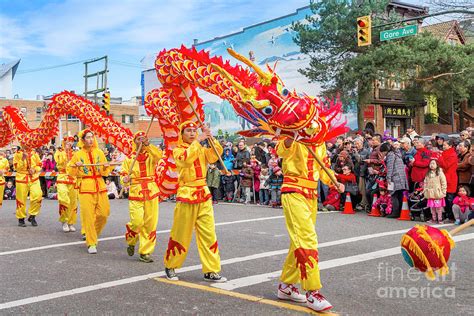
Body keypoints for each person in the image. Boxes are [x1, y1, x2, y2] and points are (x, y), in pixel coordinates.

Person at [275, 137, 344, 312]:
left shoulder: (319, 142)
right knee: (307, 239)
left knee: (298, 240)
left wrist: (334, 181)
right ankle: (313, 291)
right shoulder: (291, 135)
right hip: (294, 191)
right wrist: (292, 136)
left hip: (311, 195)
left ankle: (286, 285)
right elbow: (281, 150)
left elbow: (323, 168)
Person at [163, 121, 226, 283]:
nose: (192, 133)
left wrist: (211, 137)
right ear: (182, 134)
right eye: (188, 131)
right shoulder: (178, 150)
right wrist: (199, 141)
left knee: (208, 233)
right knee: (181, 232)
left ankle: (211, 270)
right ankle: (171, 265)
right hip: (187, 193)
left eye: (194, 131)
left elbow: (215, 154)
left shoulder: (201, 149)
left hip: (203, 193)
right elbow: (185, 160)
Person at [67, 129, 115, 254]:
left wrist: (107, 166)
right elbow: (70, 171)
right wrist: (76, 166)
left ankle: (92, 233)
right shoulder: (77, 155)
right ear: (83, 140)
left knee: (104, 214)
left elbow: (105, 172)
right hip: (85, 187)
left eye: (92, 137)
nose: (90, 139)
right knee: (88, 216)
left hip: (100, 185)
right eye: (87, 137)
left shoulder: (99, 152)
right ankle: (91, 242)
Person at [121, 131, 162, 263]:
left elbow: (159, 157)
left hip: (151, 191)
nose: (141, 141)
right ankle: (131, 240)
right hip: (136, 192)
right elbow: (123, 177)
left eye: (143, 139)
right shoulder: (129, 159)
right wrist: (125, 179)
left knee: (150, 224)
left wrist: (148, 145)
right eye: (138, 139)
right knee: (137, 222)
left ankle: (145, 252)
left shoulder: (151, 155)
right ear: (134, 142)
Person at [14, 146, 43, 227]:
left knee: (38, 195)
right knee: (21, 199)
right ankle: (21, 218)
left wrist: (34, 170)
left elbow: (39, 165)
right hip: (21, 178)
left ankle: (32, 215)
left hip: (33, 178)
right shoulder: (17, 154)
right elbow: (16, 167)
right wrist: (23, 158)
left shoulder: (35, 154)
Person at [55, 137, 79, 233]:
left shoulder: (76, 154)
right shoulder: (59, 152)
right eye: (66, 142)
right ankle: (64, 221)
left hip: (73, 179)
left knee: (73, 202)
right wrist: (65, 154)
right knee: (64, 199)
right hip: (62, 177)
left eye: (70, 142)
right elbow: (58, 162)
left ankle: (71, 222)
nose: (69, 143)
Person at [380, 142, 408, 218]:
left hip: (395, 177)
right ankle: (400, 212)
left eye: (383, 152)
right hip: (401, 177)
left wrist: (388, 178)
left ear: (386, 150)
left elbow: (390, 167)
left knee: (393, 195)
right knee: (399, 195)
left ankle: (395, 212)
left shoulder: (390, 155)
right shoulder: (397, 153)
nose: (382, 154)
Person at [438, 139, 459, 221]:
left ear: (450, 146)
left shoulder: (452, 155)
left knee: (449, 198)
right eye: (443, 145)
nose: (443, 146)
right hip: (444, 176)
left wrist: (440, 157)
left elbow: (446, 165)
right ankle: (447, 215)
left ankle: (450, 216)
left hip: (450, 177)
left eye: (445, 145)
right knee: (445, 197)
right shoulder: (444, 153)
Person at [423, 159, 447, 224]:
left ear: (437, 165)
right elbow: (425, 182)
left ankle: (440, 219)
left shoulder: (440, 173)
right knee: (432, 207)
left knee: (439, 207)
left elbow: (443, 182)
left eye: (433, 163)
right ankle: (433, 218)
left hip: (438, 193)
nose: (432, 165)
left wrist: (443, 191)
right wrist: (425, 190)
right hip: (430, 193)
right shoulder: (428, 173)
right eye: (431, 164)